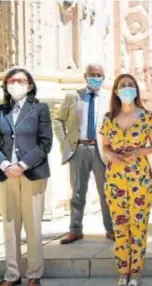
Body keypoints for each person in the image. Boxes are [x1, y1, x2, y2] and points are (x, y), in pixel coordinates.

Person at [0, 68, 53, 286]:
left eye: (21, 80)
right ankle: (11, 274)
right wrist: (6, 165)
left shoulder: (40, 109)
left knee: (32, 225)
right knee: (10, 225)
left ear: (30, 85)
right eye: (11, 80)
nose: (16, 84)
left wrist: (22, 165)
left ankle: (34, 273)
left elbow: (45, 144)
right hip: (6, 176)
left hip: (32, 174)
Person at [100, 73, 152, 286]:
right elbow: (105, 145)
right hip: (115, 178)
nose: (126, 88)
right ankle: (122, 269)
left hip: (139, 177)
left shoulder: (147, 117)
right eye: (122, 85)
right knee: (120, 225)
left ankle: (136, 271)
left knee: (138, 225)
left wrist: (140, 151)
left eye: (130, 85)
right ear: (116, 91)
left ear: (136, 90)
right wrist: (111, 154)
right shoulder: (109, 118)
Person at [54, 64, 114, 244]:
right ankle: (75, 229)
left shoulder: (109, 98)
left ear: (104, 77)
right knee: (78, 192)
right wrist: (65, 143)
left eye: (99, 75)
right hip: (78, 149)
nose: (96, 78)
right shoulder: (73, 96)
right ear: (85, 76)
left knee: (106, 192)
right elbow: (58, 120)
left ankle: (110, 228)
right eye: (92, 75)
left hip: (100, 150)